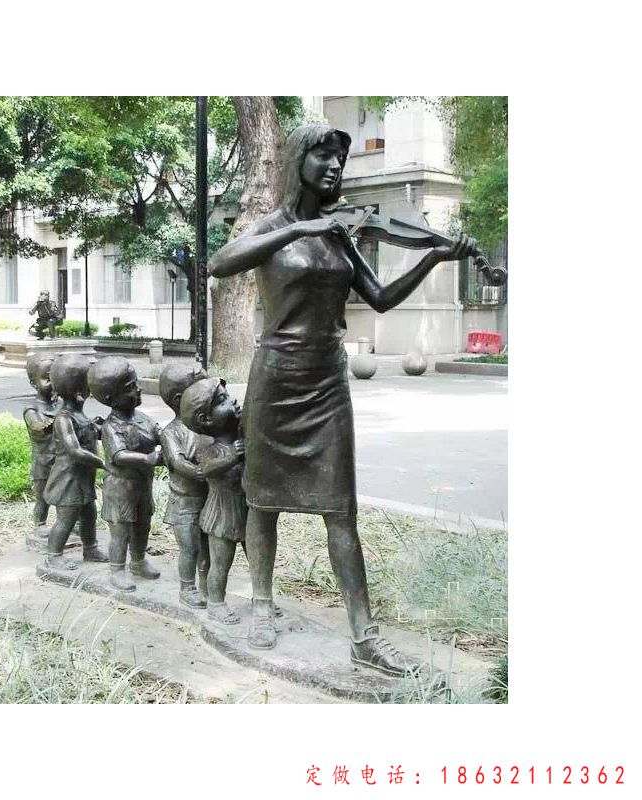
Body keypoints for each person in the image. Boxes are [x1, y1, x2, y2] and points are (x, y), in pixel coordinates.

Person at [208, 124, 477, 674]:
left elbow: (379, 297)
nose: (335, 166)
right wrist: (299, 228)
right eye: (324, 155)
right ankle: (262, 603)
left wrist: (433, 258)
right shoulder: (276, 226)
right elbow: (220, 262)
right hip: (276, 379)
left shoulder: (340, 233)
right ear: (297, 160)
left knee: (340, 508)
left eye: (340, 158)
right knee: (263, 500)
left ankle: (364, 635)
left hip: (326, 381)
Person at [88, 357, 163, 592]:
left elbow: (160, 434)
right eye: (130, 387)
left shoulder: (144, 419)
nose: (138, 389)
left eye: (136, 383)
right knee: (120, 532)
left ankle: (138, 561)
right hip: (120, 489)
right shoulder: (112, 426)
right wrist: (147, 459)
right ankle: (117, 569)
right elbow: (119, 455)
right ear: (110, 398)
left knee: (142, 526)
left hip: (142, 486)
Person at [180, 378, 246, 625]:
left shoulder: (242, 437)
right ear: (206, 420)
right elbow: (207, 469)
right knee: (220, 564)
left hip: (246, 509)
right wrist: (233, 456)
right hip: (222, 513)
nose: (233, 401)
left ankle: (263, 600)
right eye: (222, 400)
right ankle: (216, 602)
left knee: (257, 559)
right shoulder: (211, 449)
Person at [42, 354, 109, 569]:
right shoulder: (64, 419)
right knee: (66, 519)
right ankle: (53, 555)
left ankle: (90, 548)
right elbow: (75, 451)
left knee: (89, 514)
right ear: (81, 392)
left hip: (82, 479)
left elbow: (91, 433)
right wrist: (102, 463)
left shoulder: (81, 416)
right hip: (67, 480)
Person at [158, 364, 212, 608]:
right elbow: (178, 462)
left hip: (209, 499)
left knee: (207, 548)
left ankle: (207, 585)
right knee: (190, 548)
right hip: (184, 504)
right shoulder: (171, 432)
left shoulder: (207, 425)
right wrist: (202, 471)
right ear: (180, 399)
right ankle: (187, 587)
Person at [23, 353, 59, 533]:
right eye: (47, 378)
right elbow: (36, 426)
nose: (53, 383)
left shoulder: (61, 405)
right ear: (33, 383)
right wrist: (50, 423)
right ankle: (40, 525)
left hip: (61, 462)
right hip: (43, 463)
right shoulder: (32, 408)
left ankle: (66, 526)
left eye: (56, 377)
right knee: (43, 499)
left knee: (63, 497)